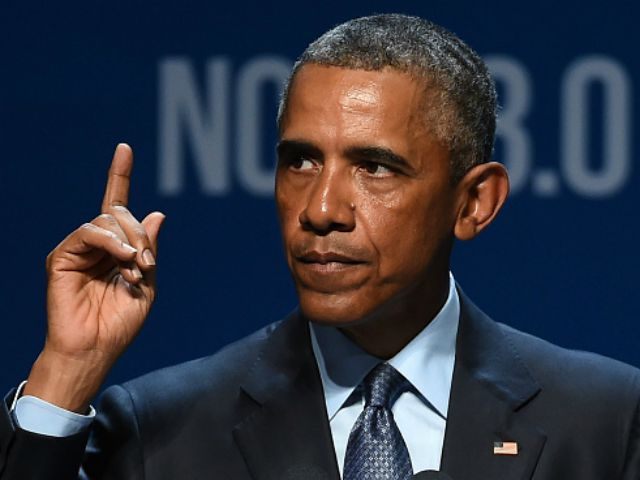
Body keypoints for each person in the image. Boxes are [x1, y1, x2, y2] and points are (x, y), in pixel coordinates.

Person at [1, 13, 639, 480]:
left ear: (473, 203)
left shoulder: (607, 421)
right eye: (300, 161)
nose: (321, 210)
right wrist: (67, 371)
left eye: (375, 166)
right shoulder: (156, 430)